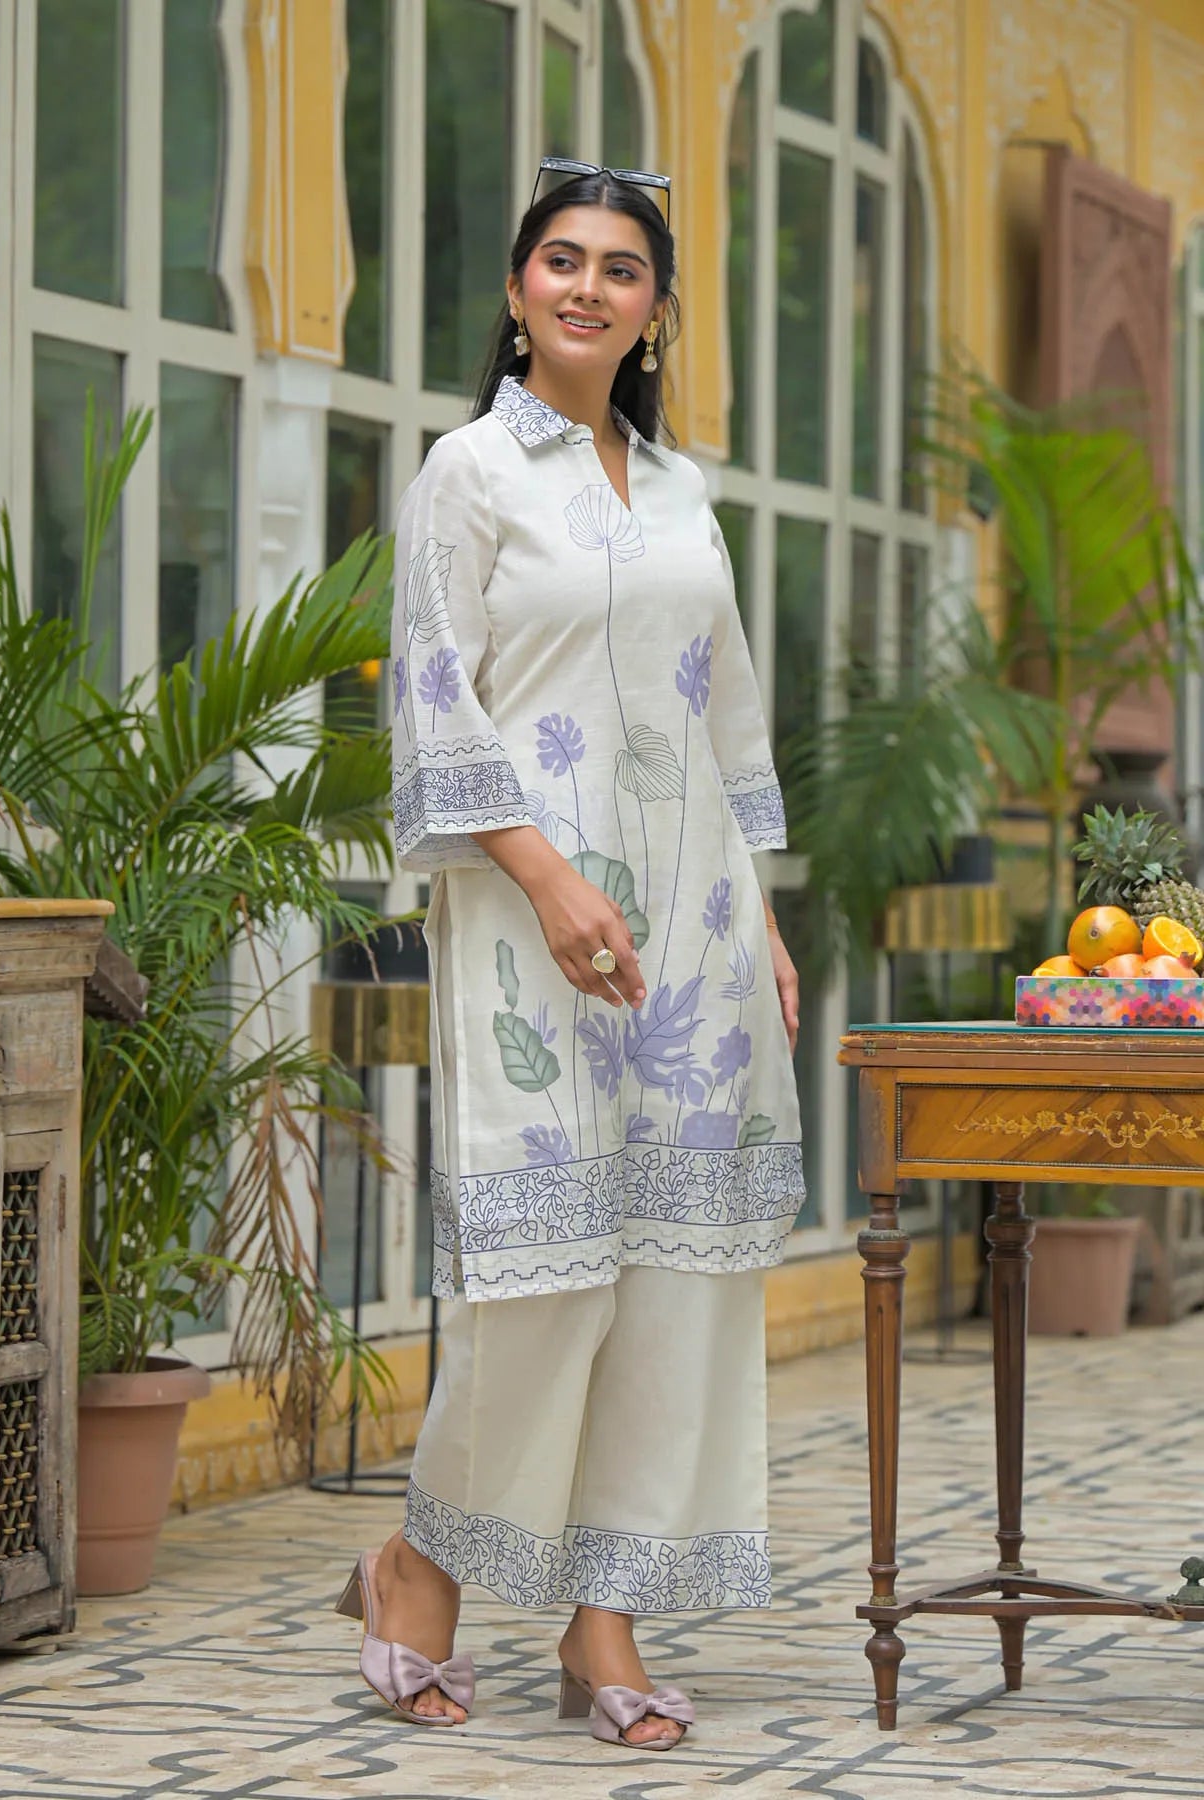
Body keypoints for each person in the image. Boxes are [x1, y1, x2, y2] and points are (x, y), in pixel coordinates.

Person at [335, 161, 804, 1753]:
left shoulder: (680, 489)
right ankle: (421, 1565)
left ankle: (604, 1624)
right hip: (537, 928)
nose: (590, 287)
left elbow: (722, 705)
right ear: (518, 293)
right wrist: (540, 879)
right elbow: (431, 701)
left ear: (657, 308)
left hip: (698, 939)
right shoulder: (467, 471)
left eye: (622, 268)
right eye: (561, 260)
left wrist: (767, 921)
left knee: (674, 1283)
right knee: (538, 1287)